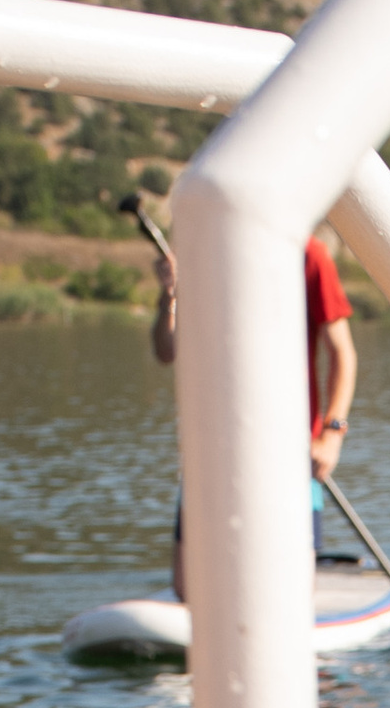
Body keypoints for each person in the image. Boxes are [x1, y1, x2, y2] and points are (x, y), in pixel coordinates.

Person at [149, 220, 357, 596]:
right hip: (212, 443)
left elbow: (342, 353)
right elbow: (167, 351)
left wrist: (332, 434)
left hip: (290, 448)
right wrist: (169, 295)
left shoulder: (309, 253)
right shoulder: (204, 248)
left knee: (293, 590)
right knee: (186, 587)